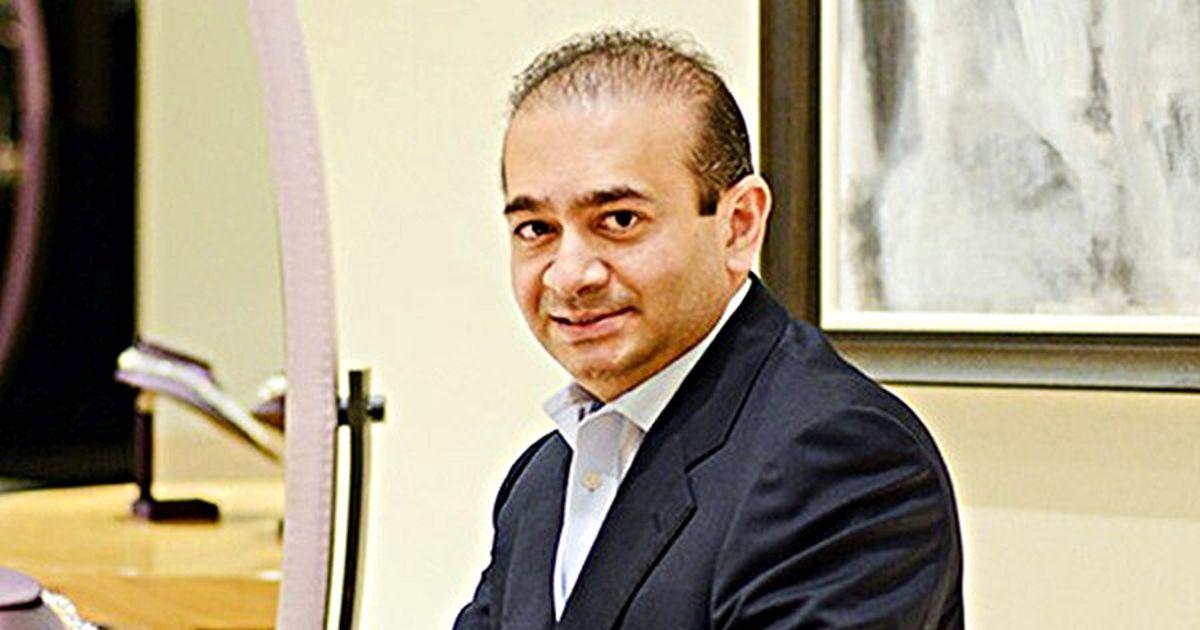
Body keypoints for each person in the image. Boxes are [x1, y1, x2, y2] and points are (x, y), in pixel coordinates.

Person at [455, 29, 963, 629]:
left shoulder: (844, 460)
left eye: (619, 220)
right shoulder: (540, 483)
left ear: (739, 225)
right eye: (537, 229)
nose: (569, 275)